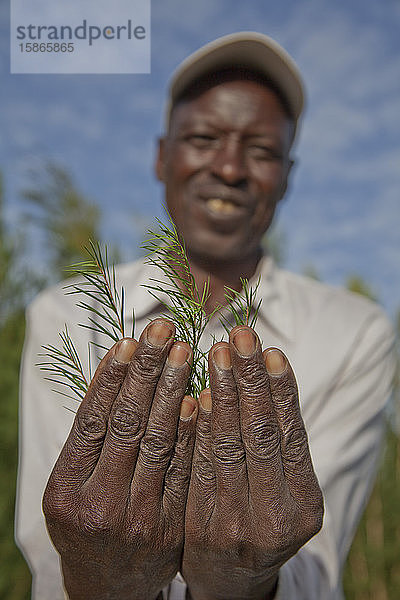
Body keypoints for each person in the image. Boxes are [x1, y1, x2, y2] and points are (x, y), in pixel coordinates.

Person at [16, 32, 395, 600]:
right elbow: (48, 551)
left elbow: (316, 566)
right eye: (203, 138)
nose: (229, 166)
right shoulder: (66, 312)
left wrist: (245, 575)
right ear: (161, 156)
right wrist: (101, 572)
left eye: (262, 151)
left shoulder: (354, 333)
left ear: (287, 176)